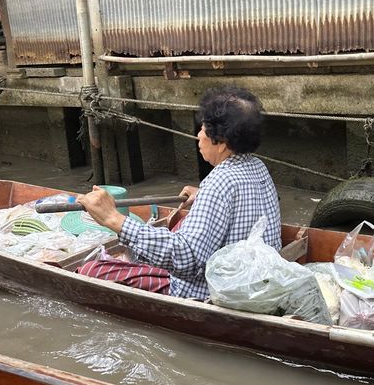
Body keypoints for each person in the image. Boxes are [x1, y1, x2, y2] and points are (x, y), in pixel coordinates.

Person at [77, 85, 282, 299]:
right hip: (250, 279)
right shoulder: (257, 166)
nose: (199, 136)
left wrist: (115, 220)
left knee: (91, 270)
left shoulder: (220, 182)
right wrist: (204, 194)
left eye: (203, 130)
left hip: (210, 291)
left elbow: (187, 259)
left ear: (222, 143)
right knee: (181, 225)